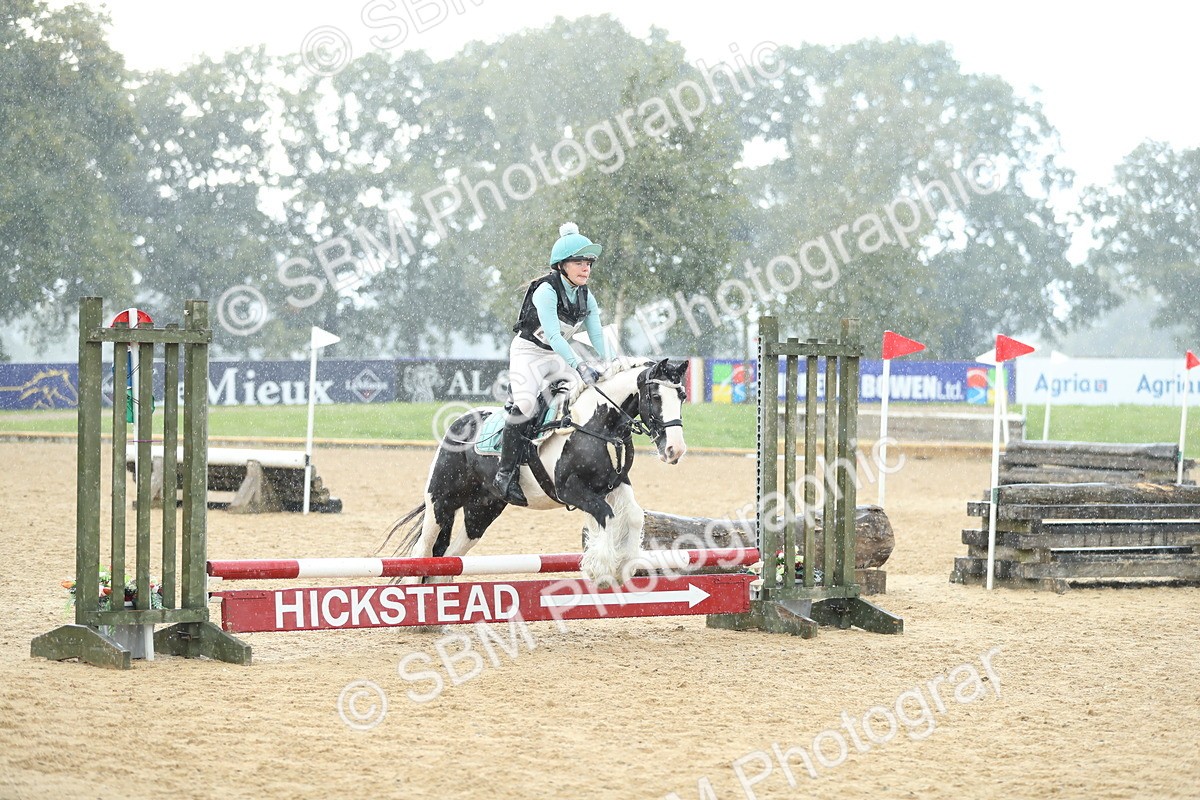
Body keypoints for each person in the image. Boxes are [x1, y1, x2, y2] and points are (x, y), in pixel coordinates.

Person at [491, 222, 609, 505]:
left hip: (555, 356)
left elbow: (596, 333)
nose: (586, 268)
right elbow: (554, 335)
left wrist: (608, 364)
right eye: (579, 262)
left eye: (589, 263)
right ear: (562, 266)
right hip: (529, 353)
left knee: (582, 395)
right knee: (527, 405)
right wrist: (579, 365)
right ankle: (504, 474)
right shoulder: (546, 290)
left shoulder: (585, 294)